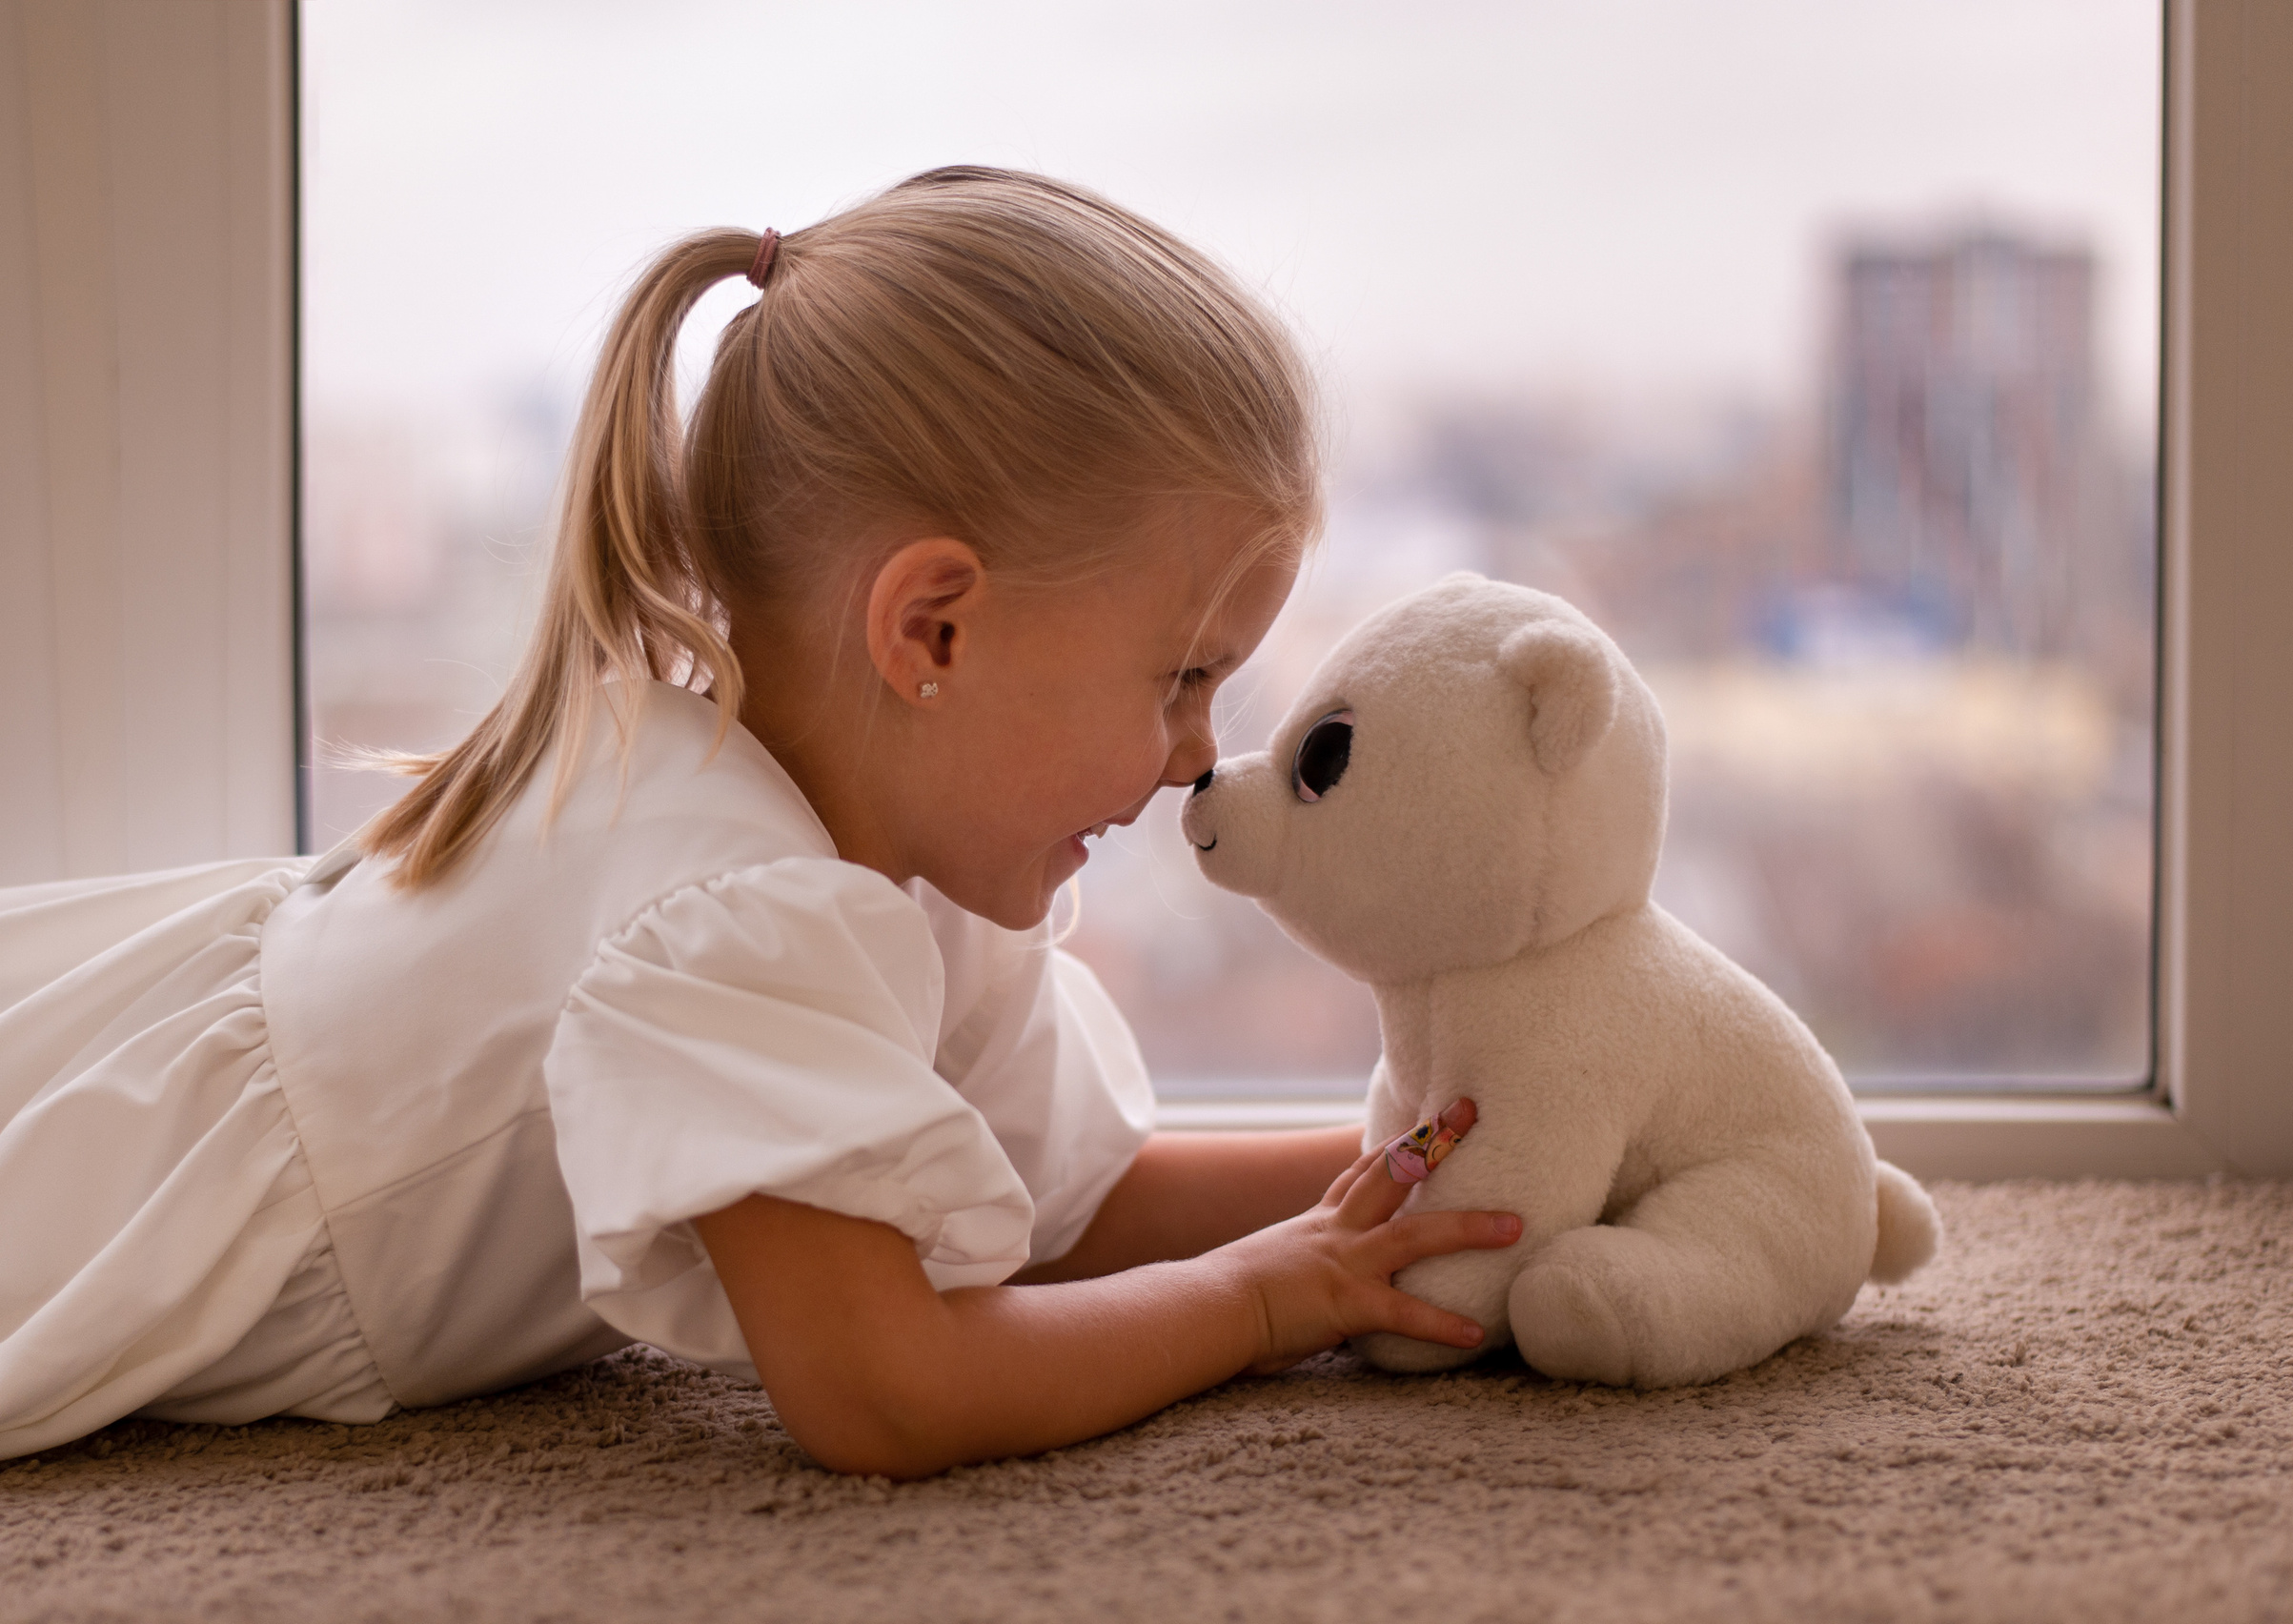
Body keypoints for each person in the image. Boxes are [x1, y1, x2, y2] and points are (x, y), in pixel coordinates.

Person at [0, 168, 1518, 1478]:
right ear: (932, 632)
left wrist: (1441, 1161)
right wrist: (1265, 1301)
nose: (1199, 759)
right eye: (1181, 680)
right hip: (89, 1203)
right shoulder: (741, 911)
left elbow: (1078, 1201)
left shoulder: (898, 852)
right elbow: (885, 1385)